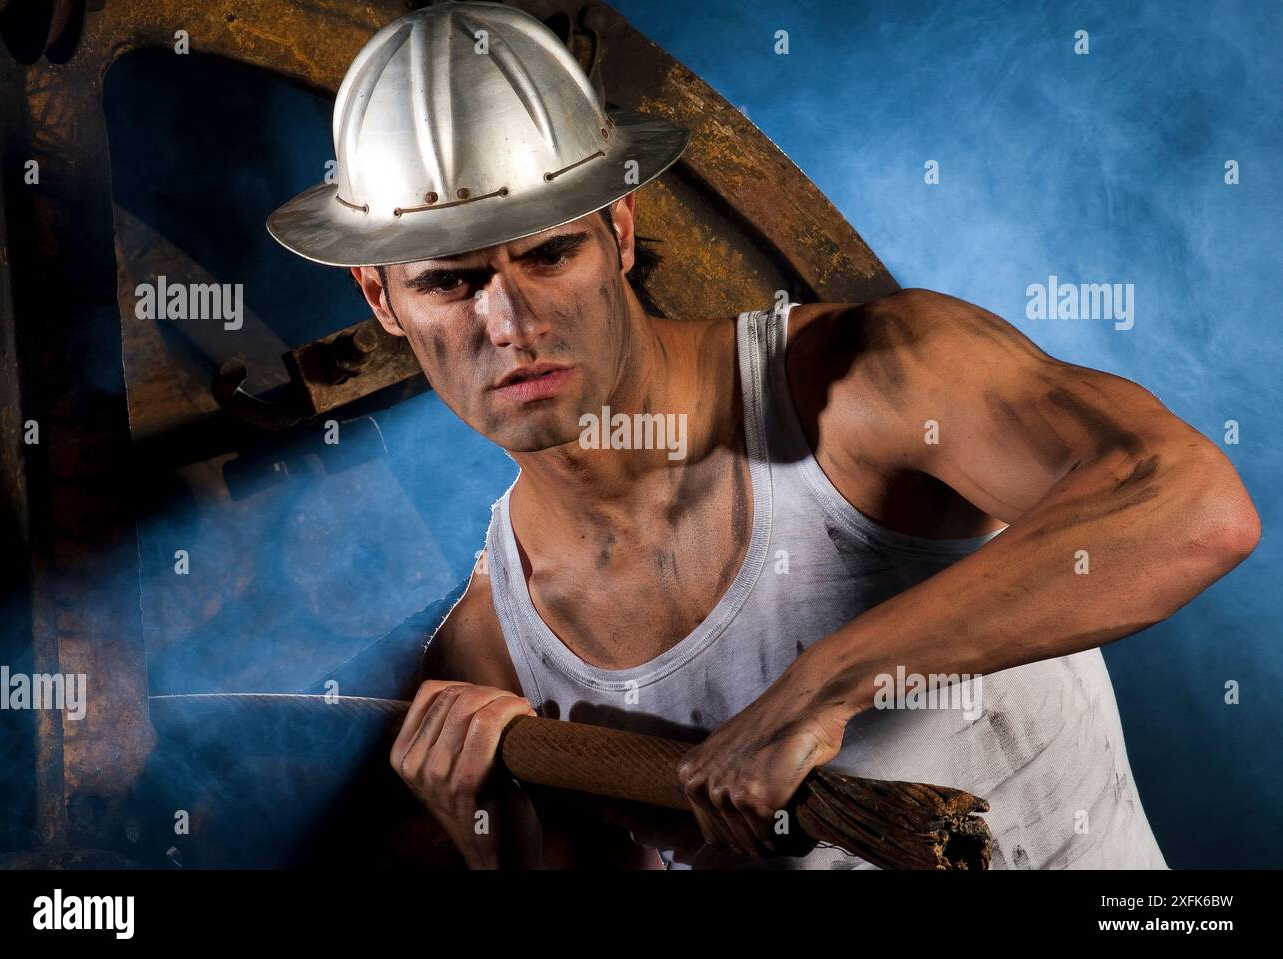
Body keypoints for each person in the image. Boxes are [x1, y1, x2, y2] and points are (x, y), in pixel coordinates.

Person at [268, 4, 1260, 869]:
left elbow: (1191, 505)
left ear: (617, 229)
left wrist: (821, 686)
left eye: (548, 253)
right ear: (381, 297)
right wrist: (498, 847)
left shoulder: (871, 386)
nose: (509, 322)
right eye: (448, 280)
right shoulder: (491, 653)